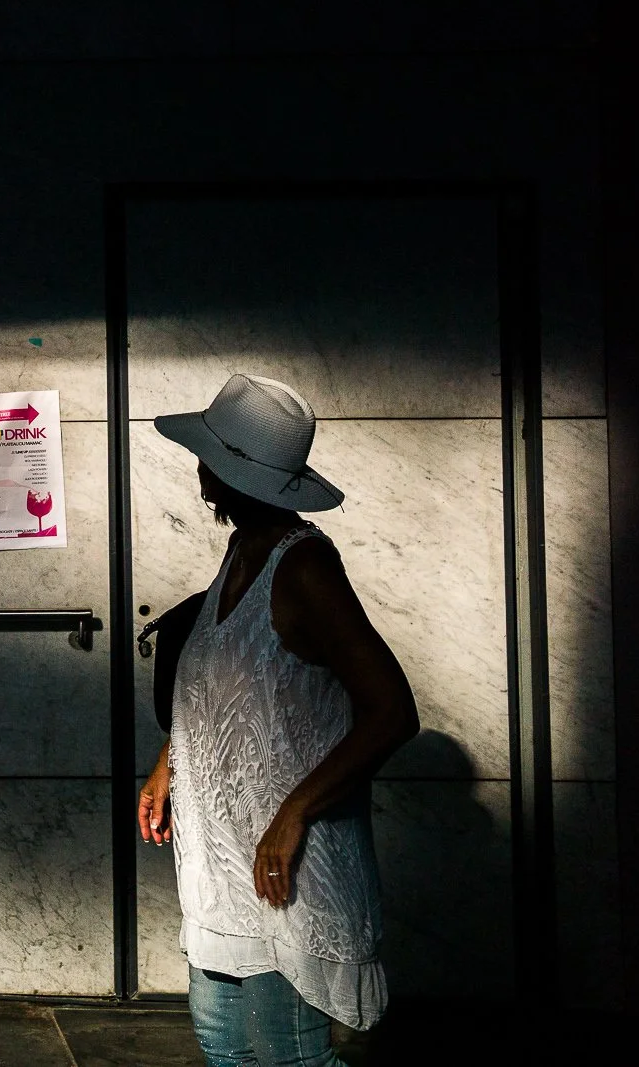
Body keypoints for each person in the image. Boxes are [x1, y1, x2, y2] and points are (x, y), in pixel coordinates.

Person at [136, 374, 418, 1067]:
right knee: (225, 1045)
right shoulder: (241, 552)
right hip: (223, 863)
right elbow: (235, 689)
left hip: (287, 868)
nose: (199, 467)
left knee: (287, 1058)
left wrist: (294, 812)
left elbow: (392, 710)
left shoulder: (306, 567)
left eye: (209, 454)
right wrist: (169, 762)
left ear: (234, 471)